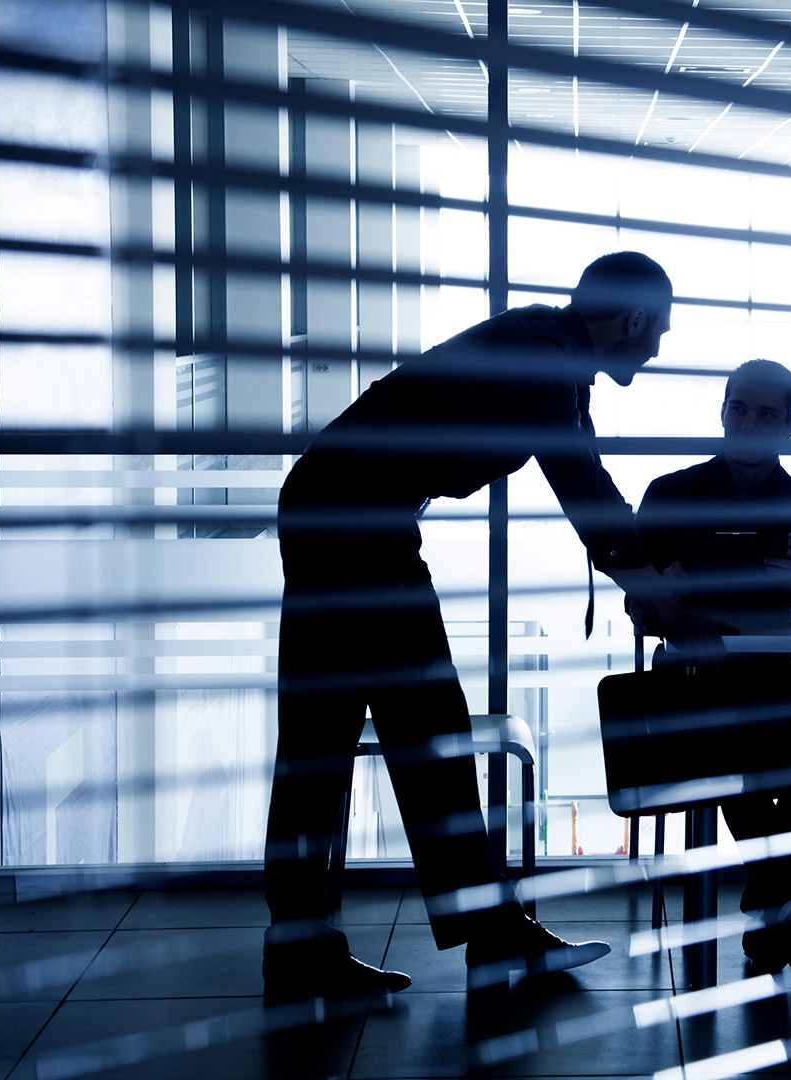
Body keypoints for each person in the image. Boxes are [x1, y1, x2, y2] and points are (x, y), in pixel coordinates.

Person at [265, 252, 720, 997]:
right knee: (387, 734)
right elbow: (583, 483)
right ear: (634, 319)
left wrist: (644, 578)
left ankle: (325, 948)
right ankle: (479, 934)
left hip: (355, 517)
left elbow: (588, 476)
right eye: (660, 330)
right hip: (349, 523)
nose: (659, 347)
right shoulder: (544, 359)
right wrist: (652, 594)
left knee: (371, 736)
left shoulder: (552, 355)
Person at [636, 360, 791, 972]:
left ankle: (774, 895)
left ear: (789, 426)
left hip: (772, 672)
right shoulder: (671, 494)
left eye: (766, 413)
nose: (749, 423)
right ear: (722, 413)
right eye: (738, 410)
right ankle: (786, 895)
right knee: (731, 738)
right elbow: (637, 611)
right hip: (690, 675)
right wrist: (658, 593)